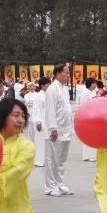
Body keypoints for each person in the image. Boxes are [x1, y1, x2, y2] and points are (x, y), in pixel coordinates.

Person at [43, 65, 74, 196]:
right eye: (66, 73)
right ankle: (50, 187)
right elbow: (50, 110)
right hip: (55, 130)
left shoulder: (65, 89)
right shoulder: (52, 89)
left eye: (68, 73)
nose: (68, 76)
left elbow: (66, 109)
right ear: (57, 74)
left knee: (61, 159)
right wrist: (53, 129)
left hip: (65, 129)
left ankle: (60, 183)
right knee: (52, 159)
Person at [25, 80, 46, 168]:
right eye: (30, 86)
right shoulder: (26, 95)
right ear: (28, 88)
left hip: (37, 117)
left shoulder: (38, 95)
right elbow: (28, 103)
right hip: (30, 117)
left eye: (33, 86)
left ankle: (37, 156)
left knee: (38, 137)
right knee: (30, 137)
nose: (32, 88)